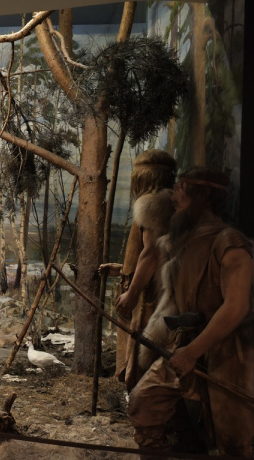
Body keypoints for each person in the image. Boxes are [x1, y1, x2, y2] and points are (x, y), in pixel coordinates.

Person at [127, 167, 254, 456]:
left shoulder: (230, 243)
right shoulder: (183, 241)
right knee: (143, 404)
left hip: (228, 355)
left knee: (234, 440)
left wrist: (193, 352)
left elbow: (236, 307)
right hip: (185, 345)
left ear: (203, 197)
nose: (174, 196)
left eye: (181, 189)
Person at [100, 149, 176, 391]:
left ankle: (141, 404)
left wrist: (132, 293)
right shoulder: (170, 202)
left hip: (150, 295)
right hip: (156, 289)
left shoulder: (152, 204)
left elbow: (152, 253)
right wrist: (122, 269)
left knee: (143, 356)